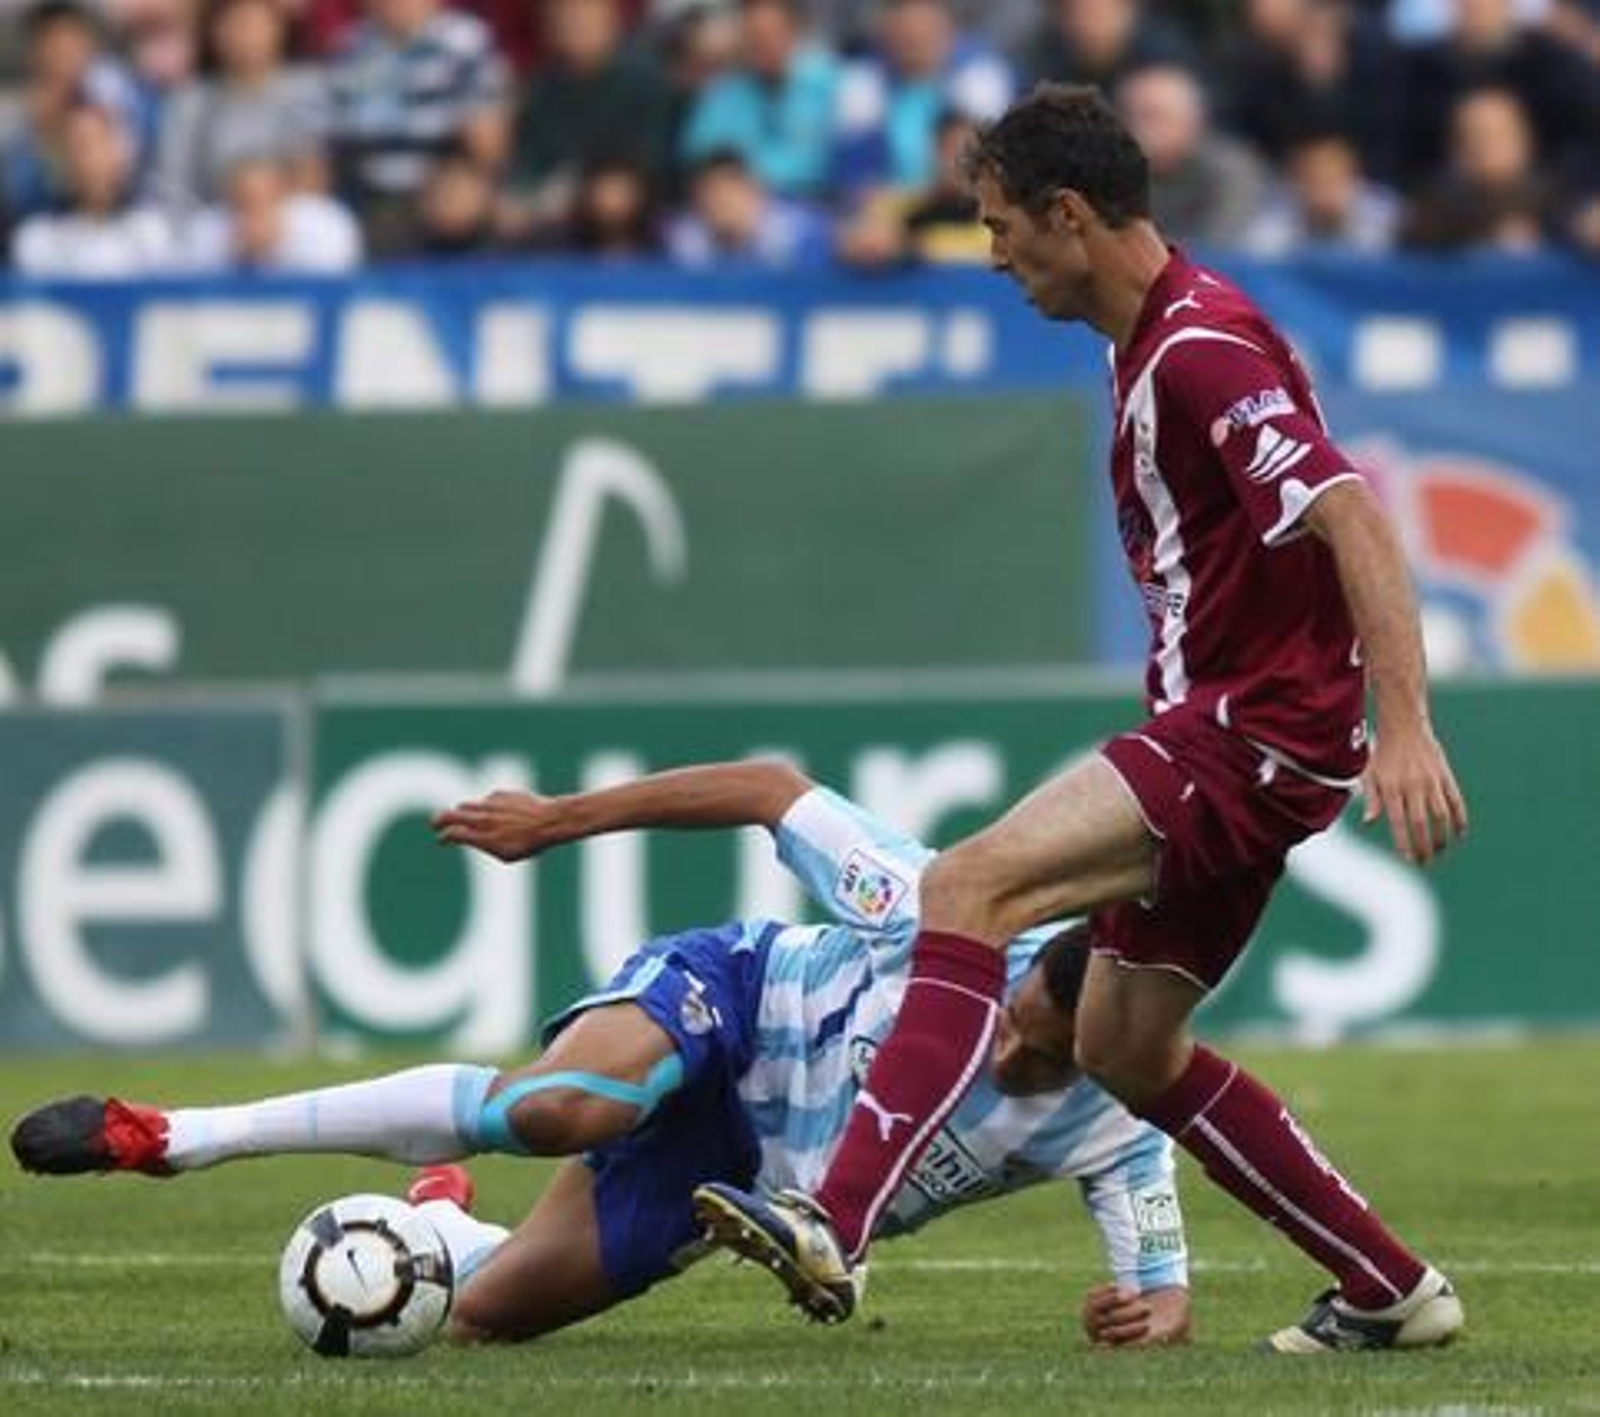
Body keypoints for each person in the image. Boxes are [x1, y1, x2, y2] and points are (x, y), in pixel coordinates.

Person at [693, 84, 1470, 1357]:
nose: (992, 256)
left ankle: (833, 1213)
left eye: (1002, 228)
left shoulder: (1196, 351)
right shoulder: (1153, 338)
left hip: (1248, 732)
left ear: (1067, 214)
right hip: (1252, 732)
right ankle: (1390, 1289)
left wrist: (1408, 724)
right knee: (1120, 1040)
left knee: (967, 886)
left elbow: (1353, 514)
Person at [11, 762, 1192, 1349]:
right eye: (1012, 994)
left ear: (1103, 1050)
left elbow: (1164, 1289)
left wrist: (1148, 1316)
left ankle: (439, 1210)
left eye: (1029, 1039)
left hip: (741, 1176)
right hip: (728, 1000)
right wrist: (556, 820)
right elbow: (772, 790)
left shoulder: (1120, 1121)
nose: (991, 1024)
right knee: (560, 1110)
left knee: (476, 1315)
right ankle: (174, 1136)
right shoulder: (947, 908)